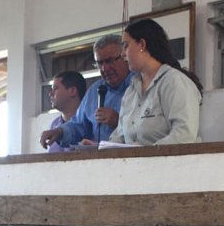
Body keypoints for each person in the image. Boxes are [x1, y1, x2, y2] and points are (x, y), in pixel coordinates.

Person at [108, 18, 203, 146]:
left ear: (142, 44)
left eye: (126, 46)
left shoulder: (174, 81)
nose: (122, 54)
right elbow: (119, 137)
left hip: (169, 159)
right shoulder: (131, 91)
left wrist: (145, 154)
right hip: (137, 159)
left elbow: (184, 135)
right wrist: (101, 148)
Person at [40, 34, 133, 150]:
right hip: (100, 159)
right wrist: (59, 132)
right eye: (99, 63)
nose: (105, 68)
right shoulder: (95, 91)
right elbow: (79, 125)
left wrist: (119, 122)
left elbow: (147, 131)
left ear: (124, 56)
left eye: (109, 61)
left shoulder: (139, 85)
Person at [46, 71, 86, 153]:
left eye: (55, 88)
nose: (50, 93)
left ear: (72, 91)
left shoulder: (89, 123)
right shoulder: (54, 125)